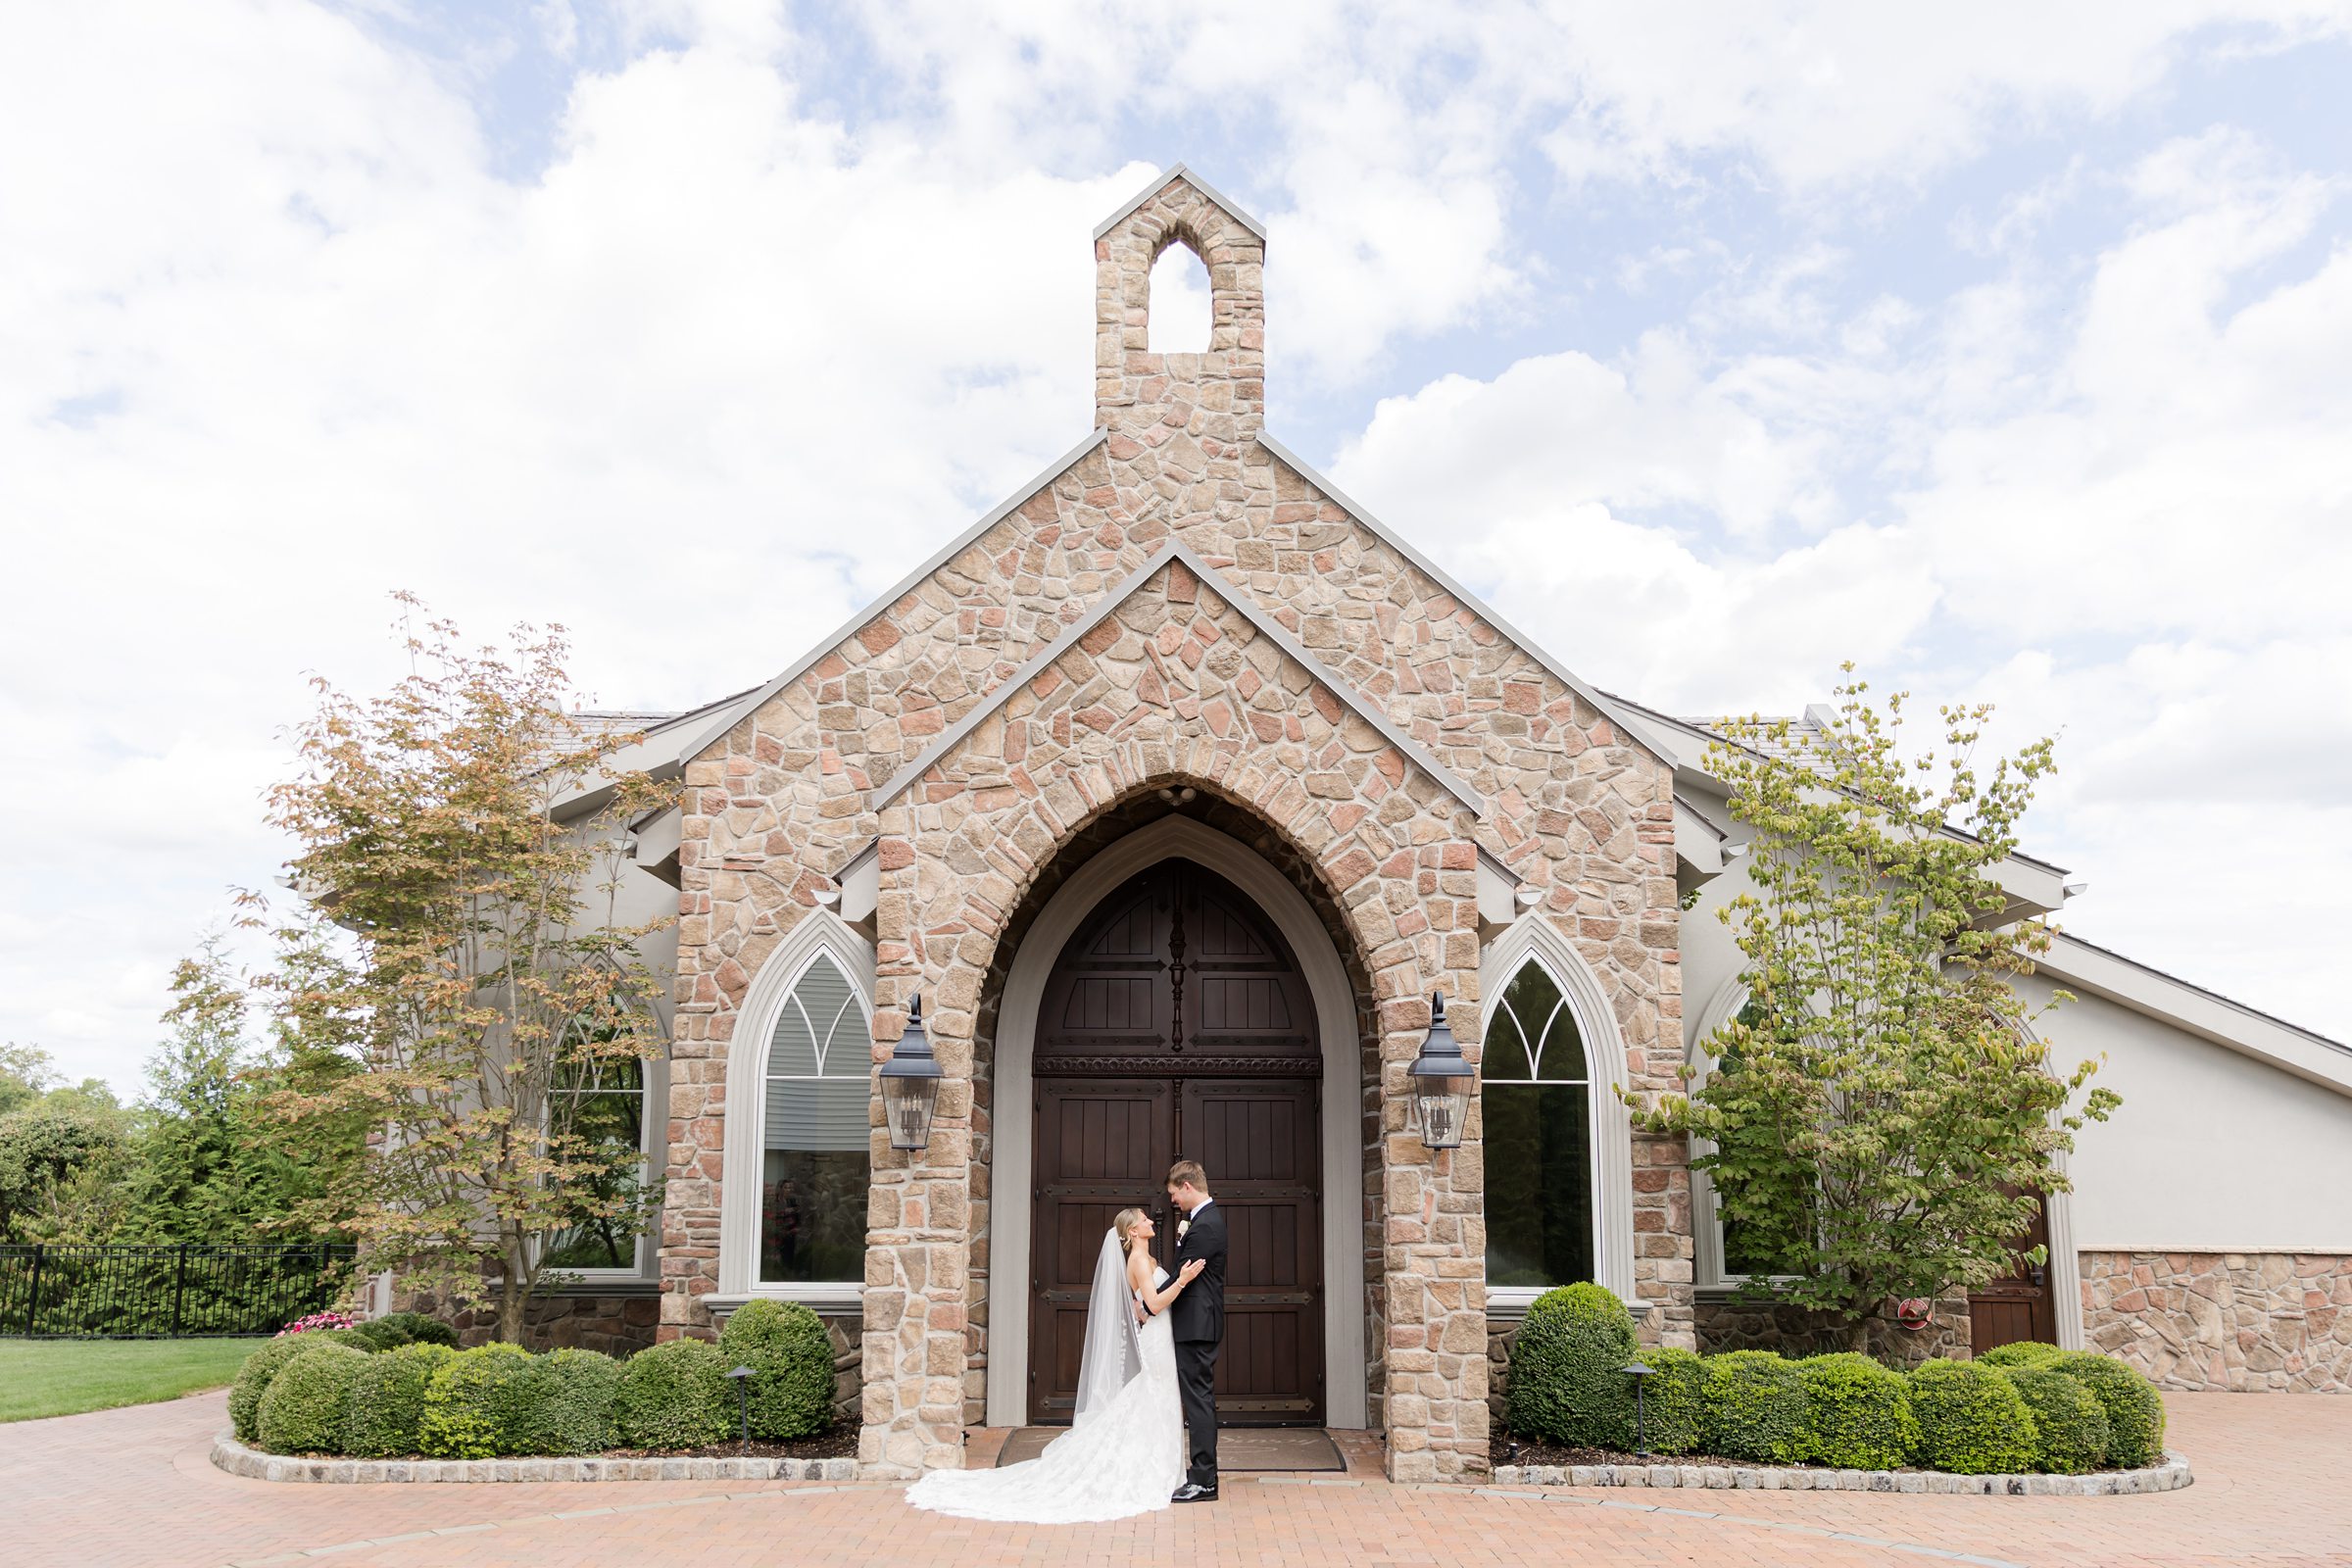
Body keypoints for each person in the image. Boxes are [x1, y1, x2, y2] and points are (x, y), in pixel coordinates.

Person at [904, 1205, 1204, 1523]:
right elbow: (1156, 1303)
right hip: (1156, 1342)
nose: (1149, 1221)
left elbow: (1144, 1304)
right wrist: (1182, 1280)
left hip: (1159, 1338)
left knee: (1159, 1401)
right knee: (1157, 1400)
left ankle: (1158, 1468)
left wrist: (1142, 1306)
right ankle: (1155, 1472)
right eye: (1143, 1219)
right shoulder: (1140, 1261)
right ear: (1133, 1231)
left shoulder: (1147, 1260)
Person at [1164, 1158, 1227, 1502]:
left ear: (1187, 1186)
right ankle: (1202, 1475)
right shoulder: (1199, 1220)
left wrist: (1149, 1304)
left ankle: (1204, 1480)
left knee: (1199, 1401)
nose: (1173, 1201)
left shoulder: (1205, 1226)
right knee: (1198, 1399)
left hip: (1197, 1325)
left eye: (1175, 1193)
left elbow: (1182, 1277)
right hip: (1196, 1322)